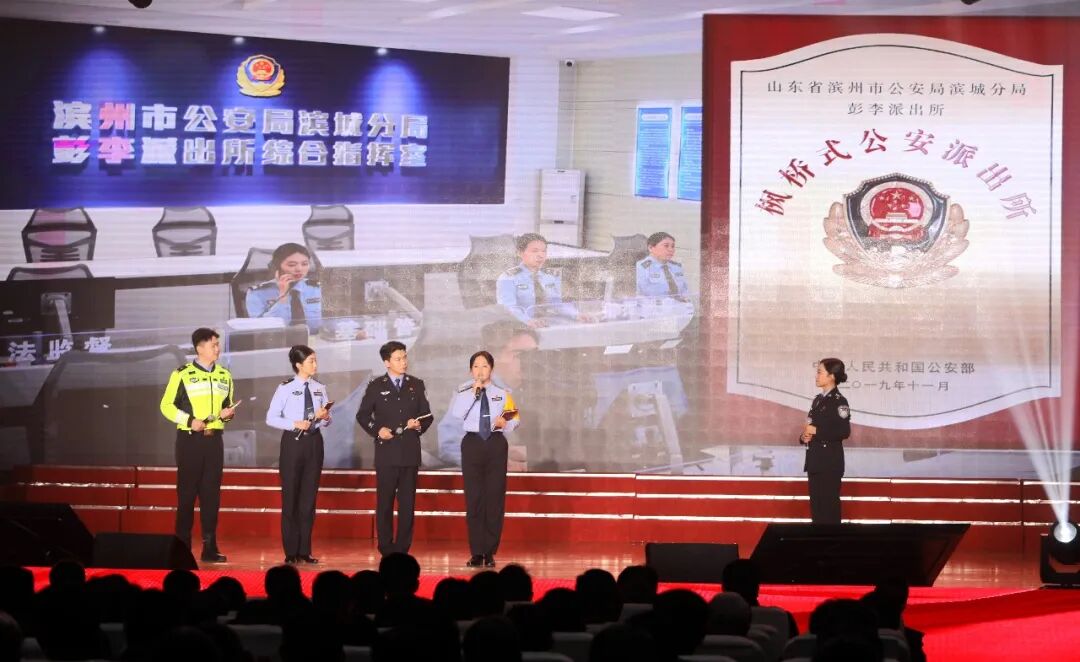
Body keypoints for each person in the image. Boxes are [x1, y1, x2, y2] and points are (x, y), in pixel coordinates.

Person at [159, 327, 236, 562]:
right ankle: (181, 547)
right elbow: (166, 406)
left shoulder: (224, 375)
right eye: (213, 345)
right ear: (199, 348)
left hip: (214, 442)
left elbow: (227, 404)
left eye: (218, 344)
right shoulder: (182, 374)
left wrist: (228, 414)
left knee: (211, 496)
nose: (218, 349)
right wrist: (189, 420)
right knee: (187, 496)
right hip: (190, 442)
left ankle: (210, 547)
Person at [357, 341, 433, 556]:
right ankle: (386, 547)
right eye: (398, 359)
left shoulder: (416, 384)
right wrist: (377, 430)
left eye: (404, 357)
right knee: (385, 503)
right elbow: (362, 415)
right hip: (386, 453)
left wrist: (418, 424)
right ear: (387, 362)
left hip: (409, 452)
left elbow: (427, 416)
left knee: (407, 505)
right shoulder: (376, 386)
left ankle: (402, 548)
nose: (403, 362)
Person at [446, 350, 520, 567]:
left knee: (494, 498)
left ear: (491, 369)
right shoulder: (463, 392)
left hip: (495, 443)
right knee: (474, 498)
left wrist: (506, 423)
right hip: (472, 444)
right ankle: (476, 552)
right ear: (471, 370)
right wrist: (474, 392)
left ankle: (489, 551)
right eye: (476, 366)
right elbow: (457, 414)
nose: (480, 370)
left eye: (484, 366)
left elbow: (515, 418)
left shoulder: (503, 393)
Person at [437, 321, 538, 466]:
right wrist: (494, 463)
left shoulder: (544, 392)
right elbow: (450, 446)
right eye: (520, 355)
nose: (531, 362)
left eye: (535, 355)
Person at [265, 344, 332, 565]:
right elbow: (271, 418)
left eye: (315, 360)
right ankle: (291, 551)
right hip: (293, 443)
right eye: (311, 361)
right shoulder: (285, 388)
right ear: (298, 364)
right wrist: (294, 423)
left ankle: (305, 550)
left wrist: (325, 417)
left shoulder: (319, 387)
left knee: (308, 499)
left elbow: (327, 421)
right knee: (291, 497)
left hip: (314, 443)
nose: (315, 364)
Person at [800, 358, 851, 524]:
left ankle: (832, 541)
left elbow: (844, 431)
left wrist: (816, 431)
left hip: (829, 463)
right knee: (817, 510)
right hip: (815, 461)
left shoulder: (839, 401)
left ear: (832, 376)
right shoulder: (817, 400)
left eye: (820, 372)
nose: (816, 376)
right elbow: (811, 426)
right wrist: (804, 436)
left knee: (829, 510)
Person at [496, 233, 579, 327]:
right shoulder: (508, 278)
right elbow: (508, 307)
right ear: (520, 253)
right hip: (520, 326)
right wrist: (527, 321)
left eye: (544, 251)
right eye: (534, 251)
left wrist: (576, 314)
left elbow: (557, 304)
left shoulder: (552, 276)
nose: (540, 255)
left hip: (548, 324)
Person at [245, 242, 322, 333]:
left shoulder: (317, 288)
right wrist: (283, 296)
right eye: (292, 265)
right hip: (277, 340)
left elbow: (330, 323)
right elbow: (261, 330)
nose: (299, 269)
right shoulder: (257, 293)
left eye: (305, 264)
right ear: (277, 266)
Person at [636, 232, 689, 298]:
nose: (671, 249)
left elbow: (685, 292)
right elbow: (640, 295)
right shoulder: (640, 267)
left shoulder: (677, 267)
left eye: (673, 246)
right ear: (650, 248)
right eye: (666, 246)